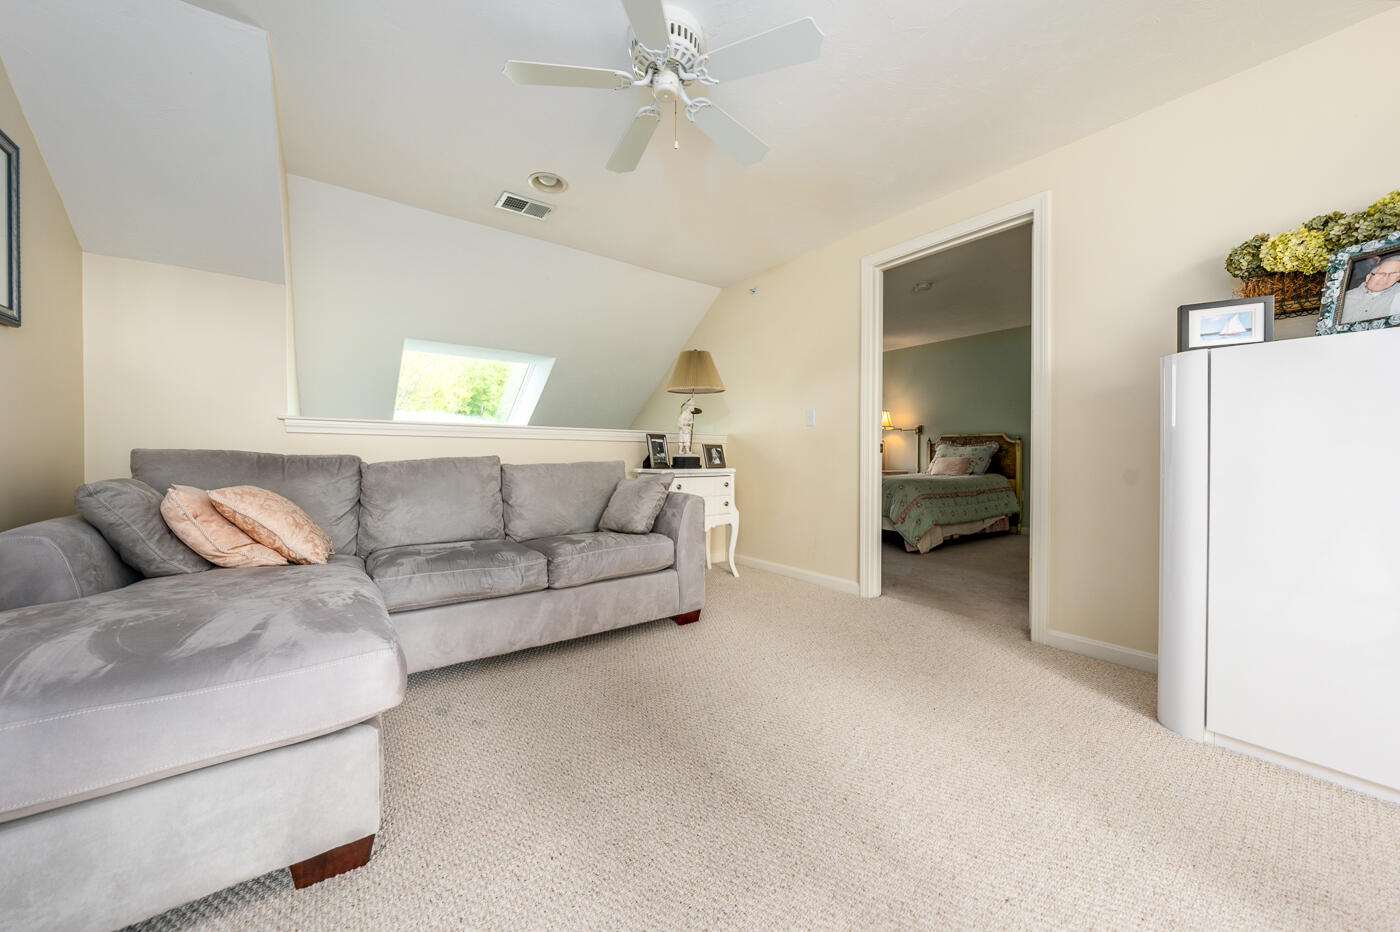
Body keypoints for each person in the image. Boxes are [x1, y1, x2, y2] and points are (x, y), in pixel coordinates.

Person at [1339, 255, 1400, 324]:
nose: (1385, 278)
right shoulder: (1344, 298)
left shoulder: (1397, 293)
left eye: (1393, 274)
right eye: (1381, 274)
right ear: (1368, 277)